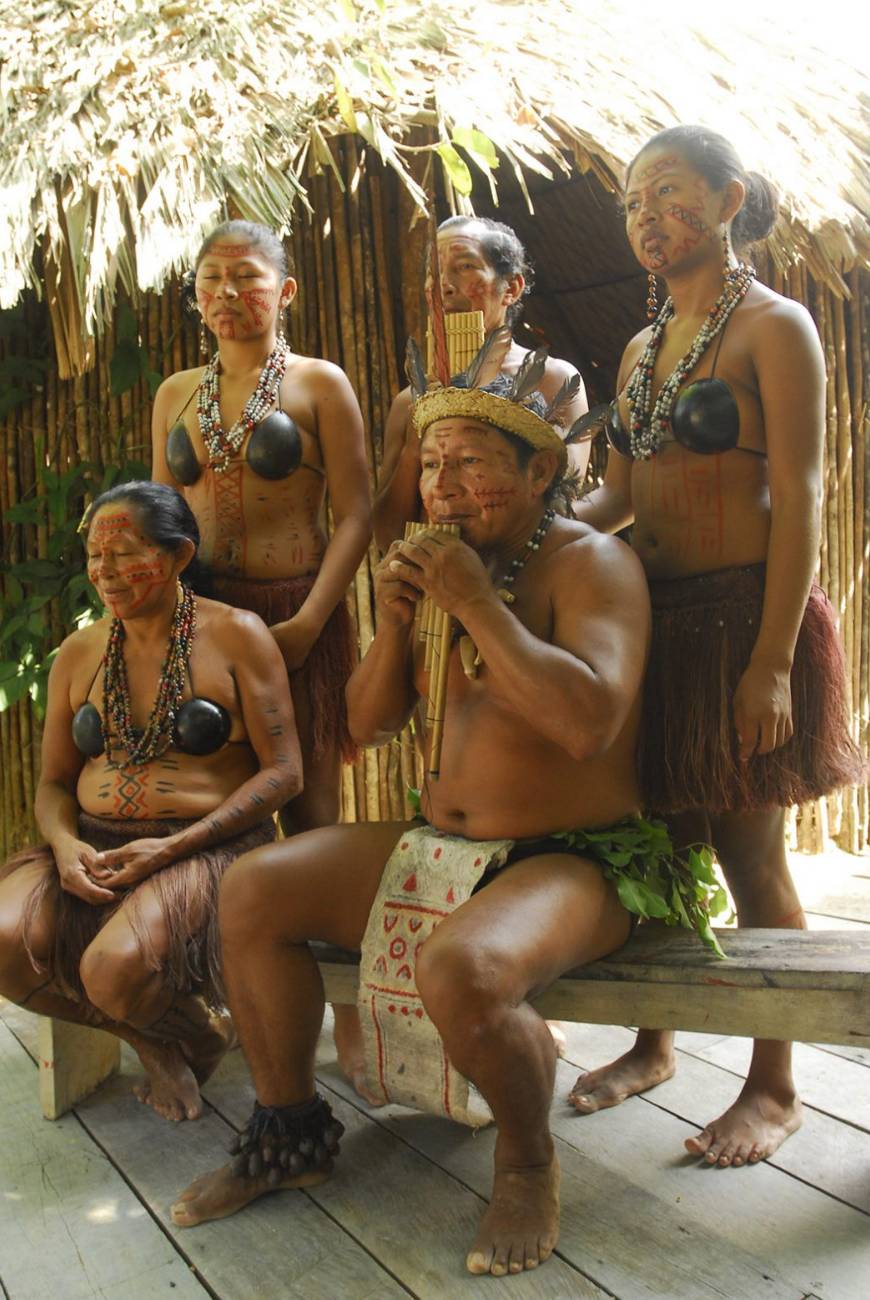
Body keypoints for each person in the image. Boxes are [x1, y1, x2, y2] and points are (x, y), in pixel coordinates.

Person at [169, 374, 722, 1275]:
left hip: (579, 859)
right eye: (431, 465)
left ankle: (527, 1161)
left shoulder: (593, 564)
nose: (443, 486)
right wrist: (395, 625)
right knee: (256, 888)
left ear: (539, 472)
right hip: (445, 844)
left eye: (470, 463)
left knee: (462, 966)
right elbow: (366, 723)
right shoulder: (443, 567)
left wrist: (475, 605)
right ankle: (289, 1131)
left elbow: (586, 724)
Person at [570, 125, 865, 1168]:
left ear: (730, 198)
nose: (648, 217)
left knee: (750, 853)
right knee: (662, 844)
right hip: (655, 625)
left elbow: (801, 494)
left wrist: (773, 661)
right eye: (633, 203)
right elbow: (616, 495)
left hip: (744, 621)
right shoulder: (640, 350)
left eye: (669, 193)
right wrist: (532, 529)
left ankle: (775, 1086)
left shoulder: (775, 328)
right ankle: (656, 1044)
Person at [0, 481, 301, 1121]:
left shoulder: (237, 636)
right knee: (1, 940)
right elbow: (53, 783)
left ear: (179, 555)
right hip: (93, 844)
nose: (104, 572)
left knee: (113, 971)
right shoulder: (79, 652)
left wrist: (173, 848)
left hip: (205, 849)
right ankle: (164, 1039)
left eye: (124, 554)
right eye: (94, 556)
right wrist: (65, 845)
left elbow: (284, 774)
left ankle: (191, 1029)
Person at [151, 219, 371, 1092]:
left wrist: (313, 622)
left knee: (313, 818)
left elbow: (357, 513)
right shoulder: (177, 394)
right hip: (207, 624)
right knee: (214, 811)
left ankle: (350, 1021)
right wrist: (170, 632)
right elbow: (163, 520)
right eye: (211, 278)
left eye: (246, 277)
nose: (227, 293)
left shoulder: (319, 384)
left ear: (285, 291)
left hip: (294, 617)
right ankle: (235, 1005)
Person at [373, 215, 589, 551]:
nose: (443, 285)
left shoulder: (553, 381)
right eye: (433, 272)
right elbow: (388, 534)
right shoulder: (408, 402)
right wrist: (418, 439)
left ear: (511, 289)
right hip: (435, 580)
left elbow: (563, 505)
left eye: (464, 267)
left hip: (527, 575)